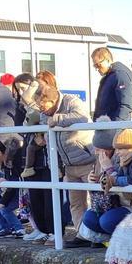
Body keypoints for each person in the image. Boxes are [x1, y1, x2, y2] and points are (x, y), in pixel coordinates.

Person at [36, 83, 95, 247]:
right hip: (68, 163)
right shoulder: (45, 114)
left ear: (52, 100)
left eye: (43, 106)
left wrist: (56, 119)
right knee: (75, 202)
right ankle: (82, 235)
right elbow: (49, 138)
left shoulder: (71, 101)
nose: (42, 110)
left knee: (96, 199)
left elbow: (82, 117)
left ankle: (98, 235)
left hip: (88, 159)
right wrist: (54, 165)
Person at [0, 138, 26, 238]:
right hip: (13, 191)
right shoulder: (5, 164)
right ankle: (5, 228)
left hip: (20, 192)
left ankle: (19, 228)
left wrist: (2, 203)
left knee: (4, 209)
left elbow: (13, 185)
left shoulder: (12, 163)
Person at [20, 129, 56, 243]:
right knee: (35, 199)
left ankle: (54, 232)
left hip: (49, 163)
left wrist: (42, 132)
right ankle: (41, 230)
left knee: (50, 199)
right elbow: (19, 124)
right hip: (32, 164)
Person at [92, 47, 132, 121]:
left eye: (98, 65)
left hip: (115, 126)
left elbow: (126, 106)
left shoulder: (119, 75)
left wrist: (115, 125)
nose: (97, 69)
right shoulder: (107, 78)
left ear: (108, 60)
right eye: (95, 66)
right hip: (106, 125)